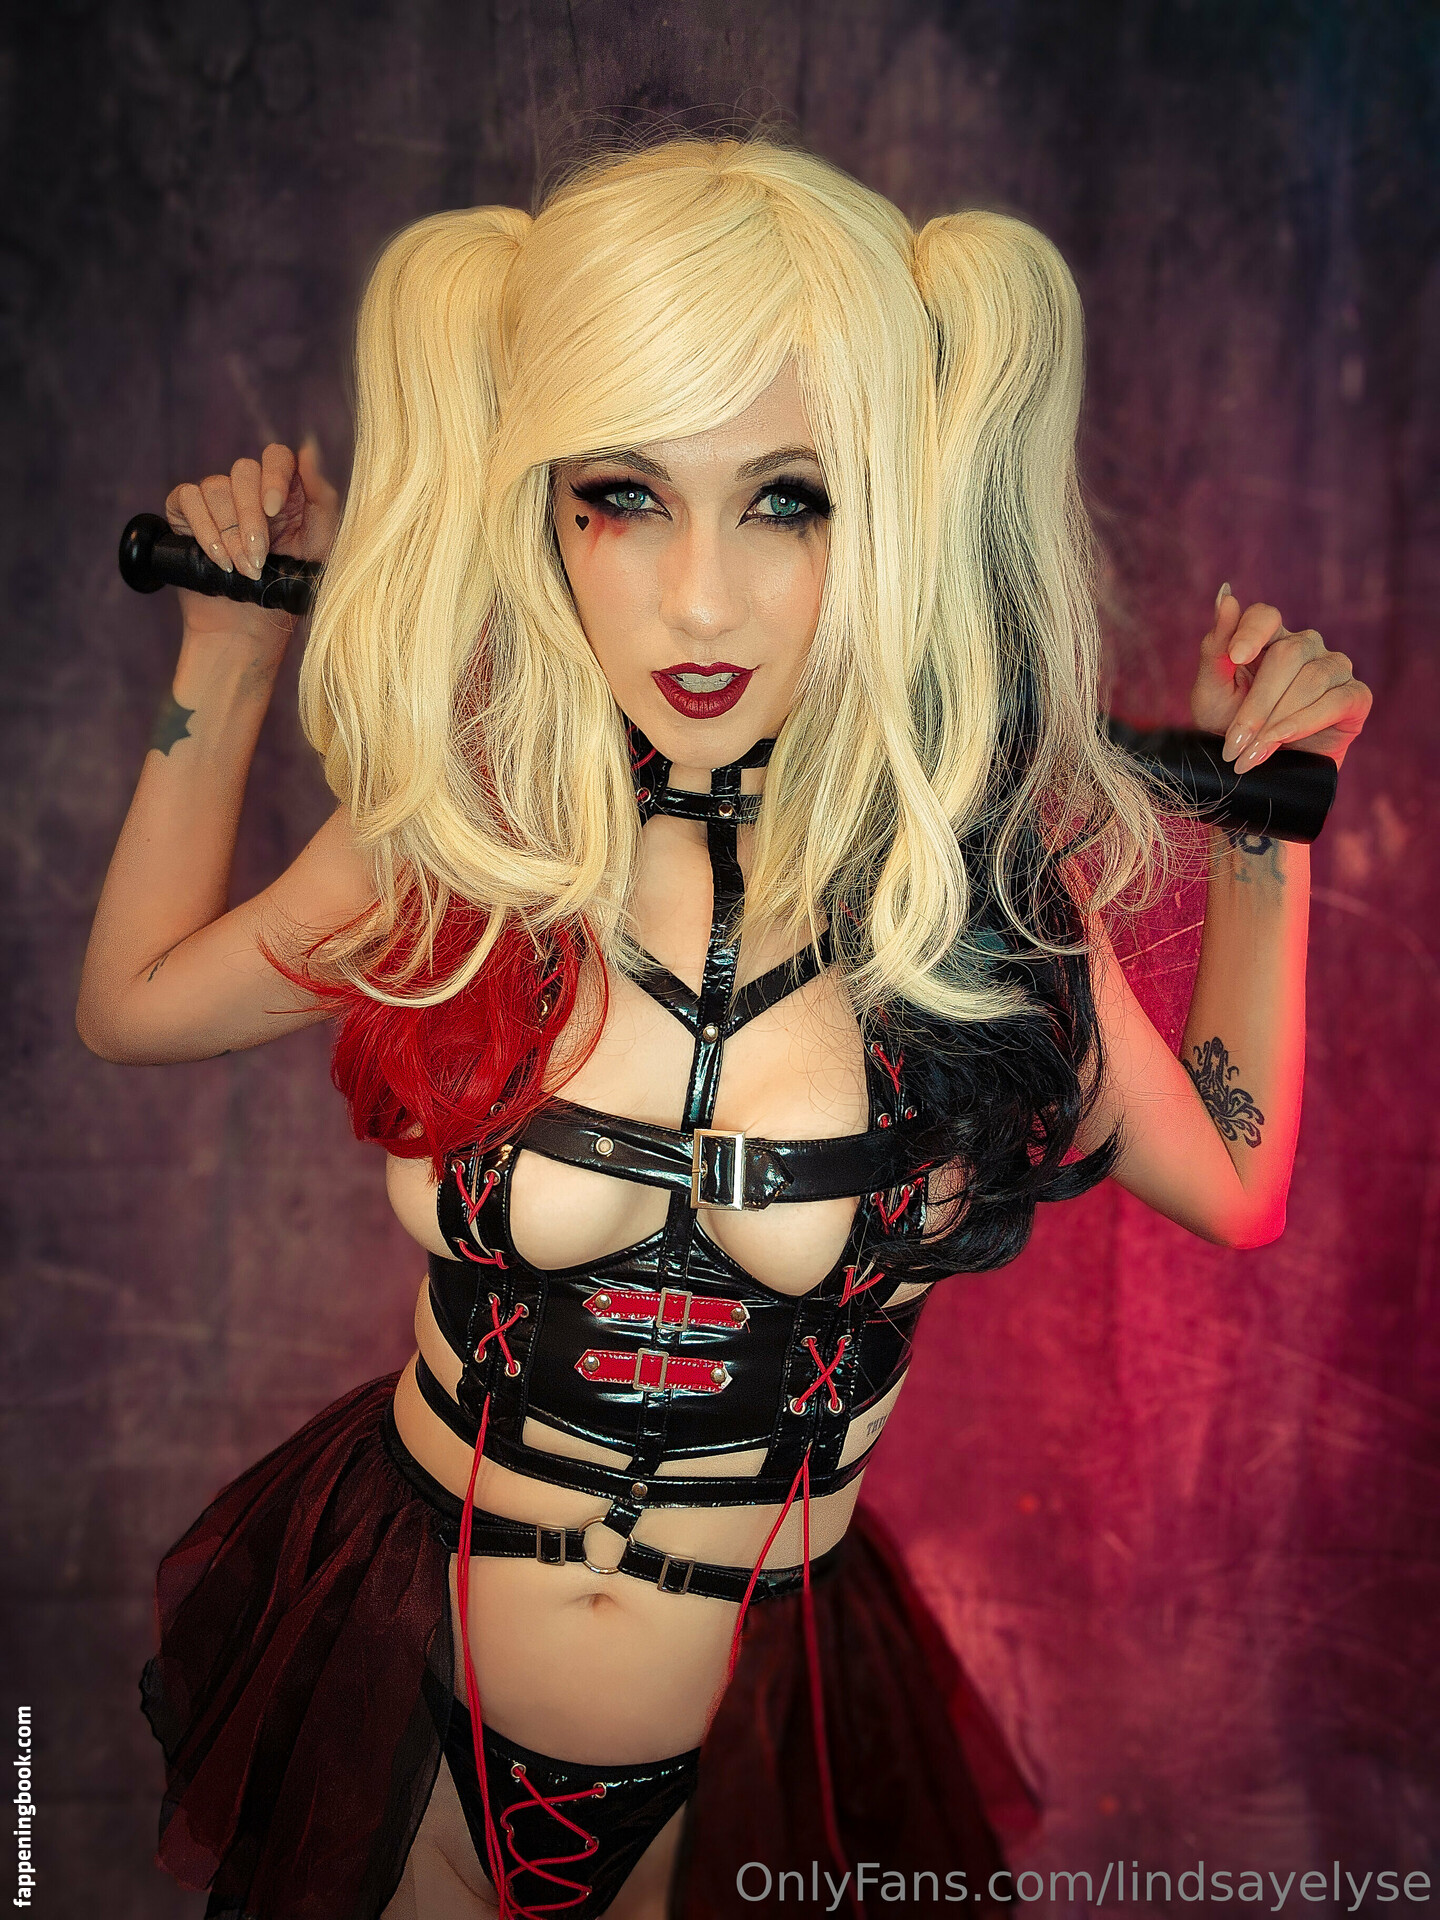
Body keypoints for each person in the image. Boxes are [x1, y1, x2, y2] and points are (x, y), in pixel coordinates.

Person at [77, 135, 1371, 1920]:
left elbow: (1234, 1181)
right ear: (541, 507)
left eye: (790, 499)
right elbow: (135, 1008)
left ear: (896, 507)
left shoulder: (966, 906)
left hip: (754, 1756)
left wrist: (1261, 838)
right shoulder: (467, 839)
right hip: (395, 1696)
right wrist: (225, 661)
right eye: (625, 493)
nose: (701, 598)